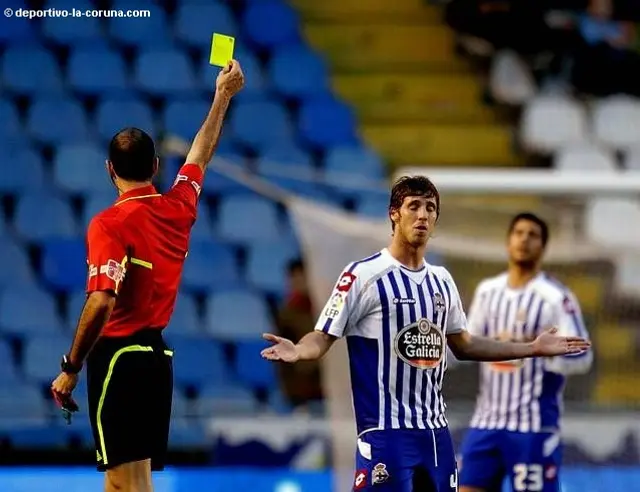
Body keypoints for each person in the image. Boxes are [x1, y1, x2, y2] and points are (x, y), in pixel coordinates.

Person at [260, 176, 591, 492]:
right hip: (386, 434)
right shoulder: (363, 275)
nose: (423, 215)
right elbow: (323, 336)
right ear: (394, 214)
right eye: (414, 206)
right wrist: (300, 350)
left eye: (430, 208)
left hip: (436, 435)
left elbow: (465, 344)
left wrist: (531, 348)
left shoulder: (442, 280)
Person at [50, 60, 244, 492]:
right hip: (156, 357)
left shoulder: (109, 224)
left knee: (125, 482)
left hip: (118, 356)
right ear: (156, 166)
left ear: (109, 170)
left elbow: (102, 299)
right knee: (128, 482)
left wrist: (71, 366)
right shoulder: (178, 207)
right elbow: (200, 154)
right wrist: (222, 96)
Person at [457, 213, 593, 492]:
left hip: (533, 426)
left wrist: (548, 354)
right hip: (485, 423)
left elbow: (583, 356)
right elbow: (465, 345)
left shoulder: (555, 297)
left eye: (533, 235)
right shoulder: (487, 292)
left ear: (543, 247)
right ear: (508, 242)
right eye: (518, 233)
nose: (524, 240)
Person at [275, 258, 324, 412]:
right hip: (302, 390)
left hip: (329, 387)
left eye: (303, 277)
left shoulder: (327, 311)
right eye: (294, 278)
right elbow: (282, 362)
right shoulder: (286, 316)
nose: (299, 282)